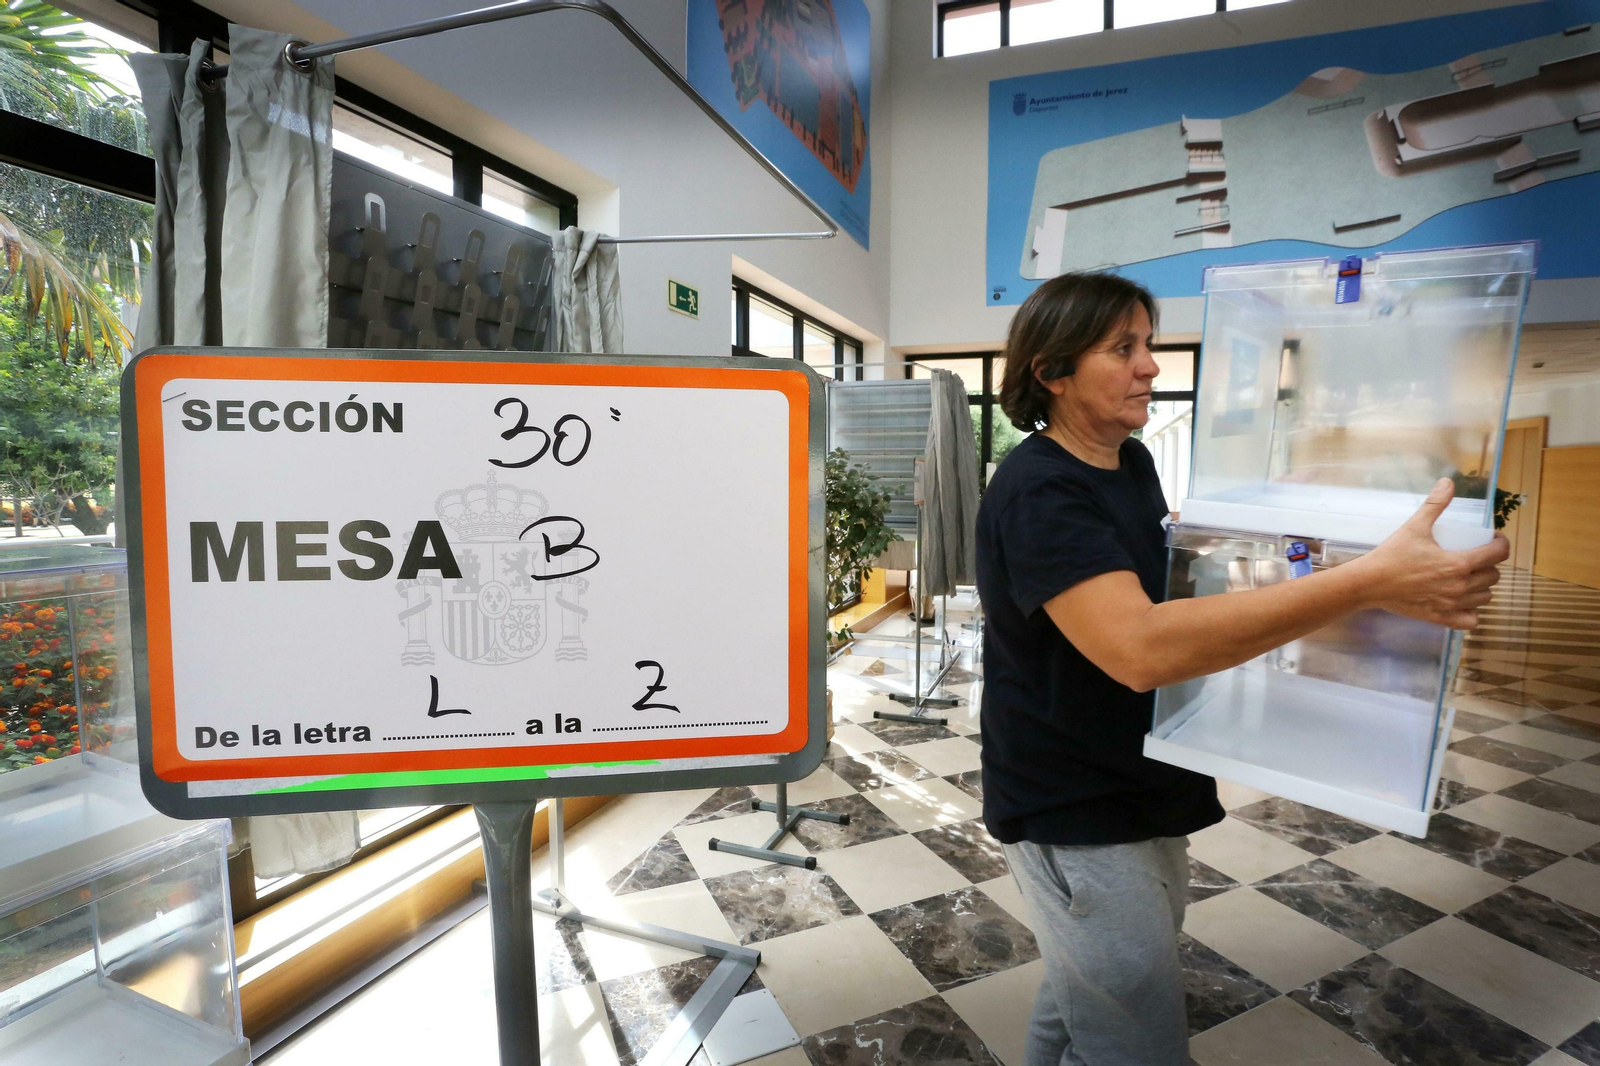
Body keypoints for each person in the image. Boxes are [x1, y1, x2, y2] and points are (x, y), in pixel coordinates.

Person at [975, 271, 1509, 1066]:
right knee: (1135, 1036)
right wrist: (1367, 582)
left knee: (1090, 990)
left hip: (1143, 773)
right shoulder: (1039, 491)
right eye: (1123, 348)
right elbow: (1141, 649)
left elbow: (1163, 582)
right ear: (1052, 372)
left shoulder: (1127, 465)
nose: (1151, 365)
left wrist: (1294, 531)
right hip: (1073, 805)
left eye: (1147, 344)